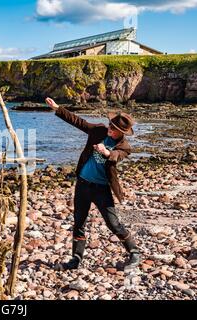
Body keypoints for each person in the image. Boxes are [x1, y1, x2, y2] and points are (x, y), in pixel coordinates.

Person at [46, 97, 140, 271]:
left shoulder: (124, 146)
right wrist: (57, 108)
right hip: (82, 185)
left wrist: (106, 152)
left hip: (101, 189)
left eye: (114, 129)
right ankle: (75, 259)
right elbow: (78, 122)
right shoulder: (98, 131)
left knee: (113, 223)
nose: (110, 129)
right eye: (110, 125)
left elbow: (116, 156)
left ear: (122, 132)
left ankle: (134, 252)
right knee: (79, 222)